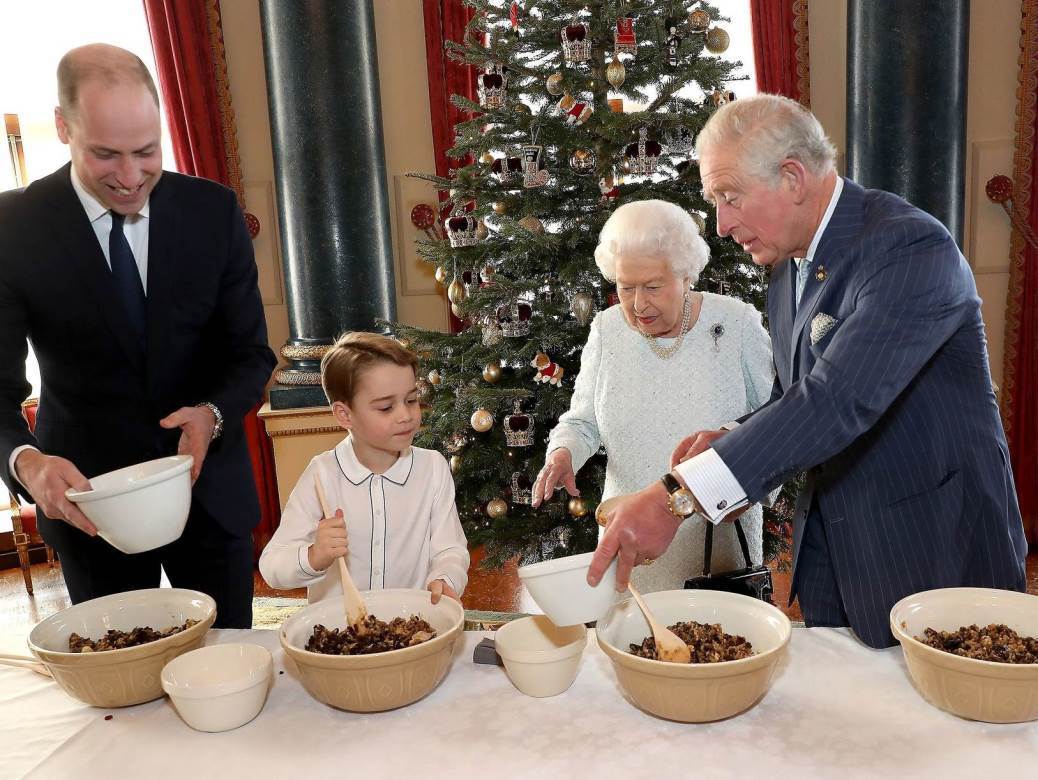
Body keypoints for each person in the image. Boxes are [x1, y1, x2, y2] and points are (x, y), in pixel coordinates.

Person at [587, 94, 1028, 648]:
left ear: (793, 177)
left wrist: (677, 497)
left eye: (729, 197)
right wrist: (736, 436)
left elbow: (835, 401)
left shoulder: (909, 248)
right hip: (838, 555)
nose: (721, 225)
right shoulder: (788, 266)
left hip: (932, 546)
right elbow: (794, 397)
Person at [0, 45, 276, 628]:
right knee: (122, 698)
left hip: (210, 501)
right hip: (89, 511)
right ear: (62, 127)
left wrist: (213, 414)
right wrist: (28, 464)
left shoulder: (213, 212)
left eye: (146, 152)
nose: (130, 178)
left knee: (228, 684)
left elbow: (250, 354)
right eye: (106, 155)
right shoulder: (13, 227)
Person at [533, 199, 774, 593]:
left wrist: (752, 489)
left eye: (653, 287)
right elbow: (582, 421)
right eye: (625, 288)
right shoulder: (607, 330)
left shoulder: (736, 323)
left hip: (716, 544)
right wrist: (563, 453)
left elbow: (774, 421)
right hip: (628, 540)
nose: (638, 303)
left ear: (686, 276)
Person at [259, 332, 469, 604]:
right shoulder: (321, 474)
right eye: (385, 407)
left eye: (411, 400)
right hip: (340, 635)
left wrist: (445, 577)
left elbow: (450, 549)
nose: (406, 416)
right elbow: (272, 566)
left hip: (411, 626)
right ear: (344, 414)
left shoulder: (433, 468)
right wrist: (314, 555)